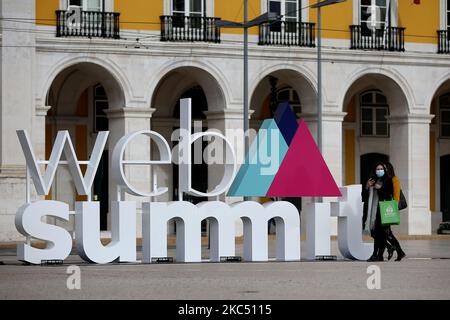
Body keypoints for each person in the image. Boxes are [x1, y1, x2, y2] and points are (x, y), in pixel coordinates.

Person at [364, 162, 393, 261]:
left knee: (380, 234)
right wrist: (367, 186)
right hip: (373, 211)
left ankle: (377, 255)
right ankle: (385, 250)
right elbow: (365, 195)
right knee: (375, 233)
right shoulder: (373, 180)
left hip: (383, 210)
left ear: (384, 170)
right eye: (377, 169)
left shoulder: (387, 180)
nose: (379, 171)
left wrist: (379, 189)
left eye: (381, 169)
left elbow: (389, 193)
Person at [384, 162, 406, 261]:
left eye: (384, 168)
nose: (383, 170)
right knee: (385, 233)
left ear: (389, 169)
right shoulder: (384, 180)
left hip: (388, 208)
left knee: (387, 232)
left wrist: (392, 210)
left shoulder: (394, 180)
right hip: (382, 208)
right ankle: (398, 251)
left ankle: (397, 250)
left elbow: (396, 197)